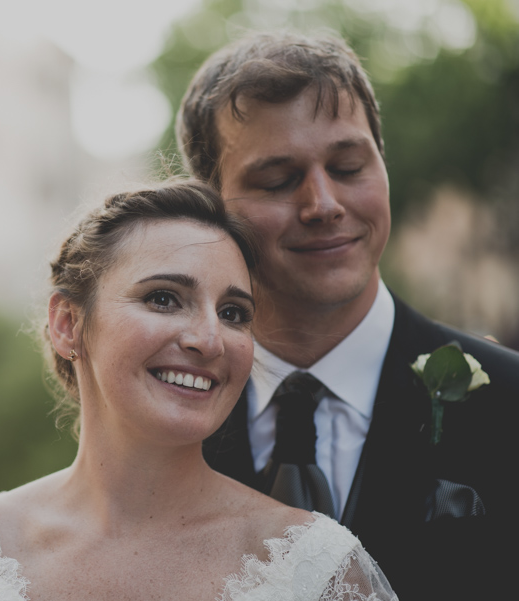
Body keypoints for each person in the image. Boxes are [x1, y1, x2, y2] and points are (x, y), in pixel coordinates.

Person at [0, 180, 398, 600]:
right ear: (67, 324)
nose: (209, 339)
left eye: (233, 313)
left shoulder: (315, 569)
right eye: (164, 298)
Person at [176, 31, 519, 600]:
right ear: (209, 207)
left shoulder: (510, 400)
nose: (324, 205)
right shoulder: (169, 423)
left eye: (349, 166)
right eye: (278, 180)